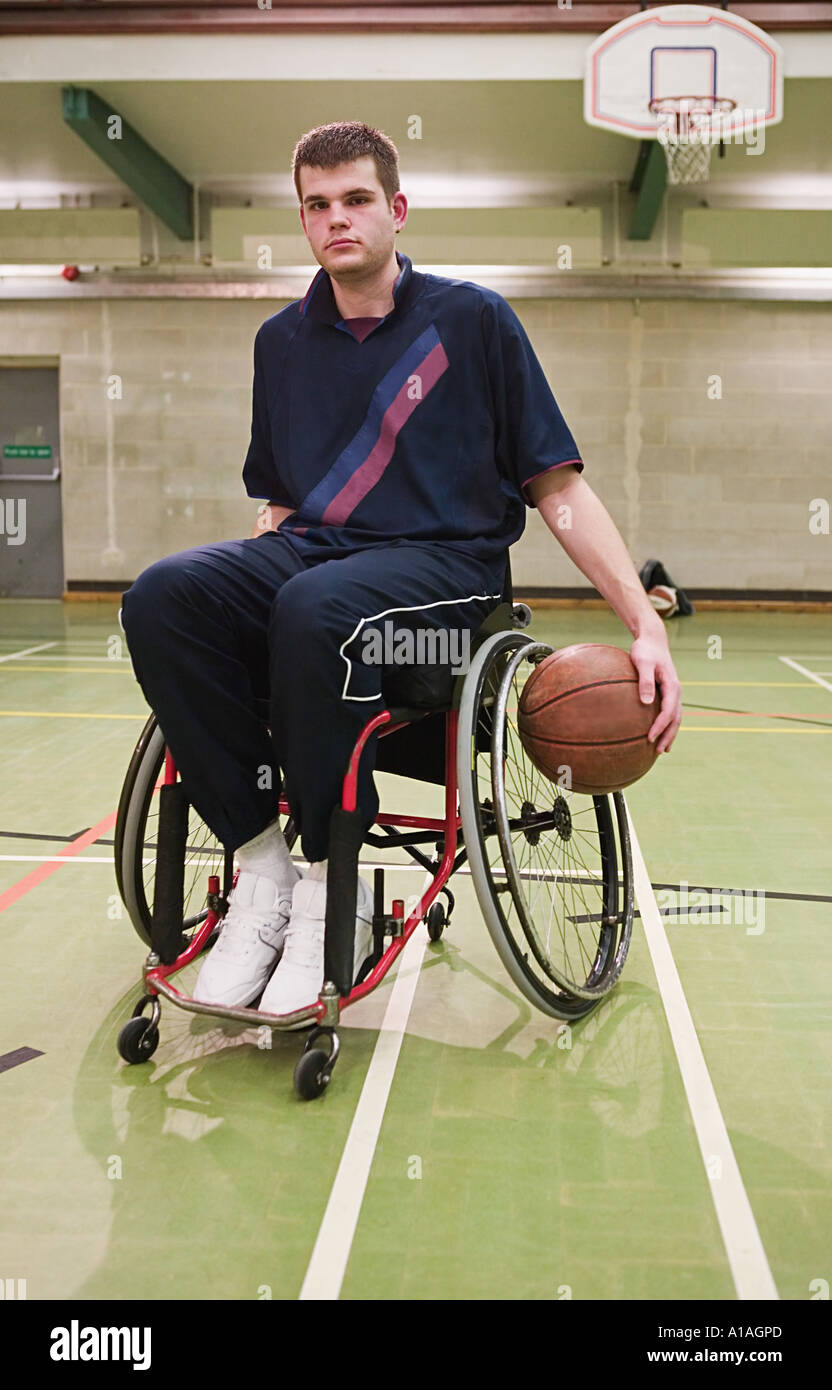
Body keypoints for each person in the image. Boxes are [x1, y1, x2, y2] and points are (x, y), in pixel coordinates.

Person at [120, 120, 681, 1018]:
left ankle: (326, 883)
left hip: (449, 580)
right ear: (303, 220)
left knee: (314, 608)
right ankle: (263, 871)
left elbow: (558, 488)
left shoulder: (473, 321)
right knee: (162, 597)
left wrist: (643, 622)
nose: (336, 219)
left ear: (397, 209)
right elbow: (280, 502)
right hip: (317, 558)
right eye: (317, 205)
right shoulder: (280, 342)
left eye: (356, 199)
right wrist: (241, 591)